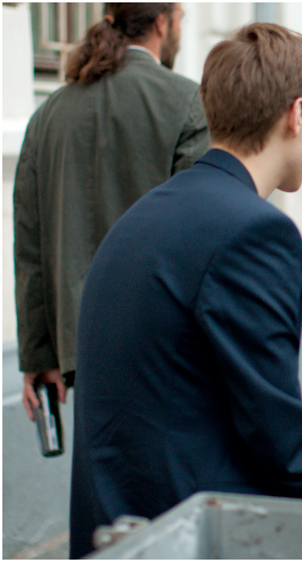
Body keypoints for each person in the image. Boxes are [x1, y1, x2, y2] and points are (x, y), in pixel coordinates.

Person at [70, 23, 302, 559]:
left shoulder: (145, 215)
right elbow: (271, 428)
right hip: (193, 534)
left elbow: (205, 386)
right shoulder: (255, 230)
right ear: (296, 114)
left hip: (122, 530)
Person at [14, 3, 209, 424]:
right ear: (163, 22)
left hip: (80, 347)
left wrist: (38, 354)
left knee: (102, 479)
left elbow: (30, 245)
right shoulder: (187, 101)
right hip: (162, 349)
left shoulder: (49, 113)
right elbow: (199, 235)